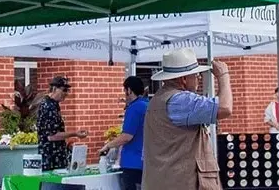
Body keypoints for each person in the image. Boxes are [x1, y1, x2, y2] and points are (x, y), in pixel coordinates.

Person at [142, 48, 231, 190]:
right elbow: (225, 108)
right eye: (196, 75)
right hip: (182, 182)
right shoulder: (180, 100)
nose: (198, 79)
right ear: (183, 79)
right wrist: (223, 76)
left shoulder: (159, 98)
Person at [99, 77, 148, 190]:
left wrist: (108, 145)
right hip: (146, 160)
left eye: (124, 90)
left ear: (129, 90)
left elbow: (127, 136)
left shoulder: (134, 108)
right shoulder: (147, 105)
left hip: (132, 162)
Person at [36, 76, 88, 172]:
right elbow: (52, 136)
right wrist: (75, 133)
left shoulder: (53, 105)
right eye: (64, 90)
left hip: (56, 156)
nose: (66, 93)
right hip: (50, 158)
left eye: (67, 90)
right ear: (54, 88)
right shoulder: (48, 106)